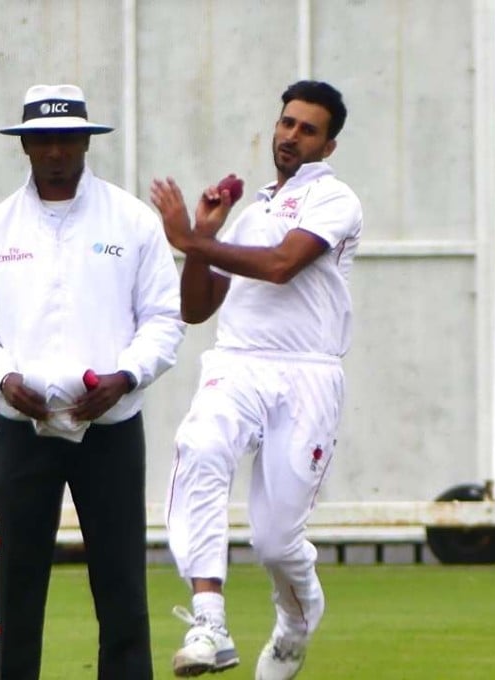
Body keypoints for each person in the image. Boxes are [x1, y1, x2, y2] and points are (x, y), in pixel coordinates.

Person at [0, 83, 185, 680]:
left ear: (85, 142)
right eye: (43, 141)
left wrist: (126, 376)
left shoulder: (131, 222)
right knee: (16, 584)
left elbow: (164, 318)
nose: (55, 152)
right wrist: (4, 379)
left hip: (110, 425)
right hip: (22, 429)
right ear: (25, 147)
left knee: (121, 578)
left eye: (67, 139)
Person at [149, 80, 363, 680]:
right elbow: (196, 311)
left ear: (329, 144)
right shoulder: (250, 213)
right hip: (237, 361)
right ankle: (209, 621)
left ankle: (296, 622)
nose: (291, 135)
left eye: (307, 129)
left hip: (308, 374)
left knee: (274, 541)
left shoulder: (336, 201)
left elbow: (279, 267)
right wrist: (203, 241)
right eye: (286, 123)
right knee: (201, 447)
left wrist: (192, 238)